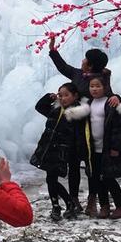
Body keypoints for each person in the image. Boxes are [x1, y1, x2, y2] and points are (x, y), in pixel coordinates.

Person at [47, 37, 121, 215]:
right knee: (74, 165)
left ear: (90, 65)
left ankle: (92, 200)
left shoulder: (100, 80)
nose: (82, 61)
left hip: (90, 130)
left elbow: (110, 96)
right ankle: (74, 200)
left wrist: (118, 97)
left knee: (91, 168)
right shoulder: (78, 75)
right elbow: (63, 67)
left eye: (85, 60)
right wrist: (53, 51)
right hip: (73, 127)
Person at [30, 83, 90, 221]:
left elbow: (79, 135)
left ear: (75, 96)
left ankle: (63, 205)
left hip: (63, 151)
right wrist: (48, 98)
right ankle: (61, 205)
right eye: (60, 95)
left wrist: (79, 153)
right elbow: (39, 107)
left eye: (66, 95)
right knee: (51, 178)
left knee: (51, 178)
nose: (62, 98)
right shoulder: (56, 109)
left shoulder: (77, 113)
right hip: (49, 149)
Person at [86, 76, 121, 219]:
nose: (94, 89)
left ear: (105, 87)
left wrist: (116, 147)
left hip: (108, 149)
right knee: (97, 180)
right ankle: (104, 207)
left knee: (109, 179)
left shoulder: (111, 103)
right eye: (92, 86)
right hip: (94, 150)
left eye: (98, 86)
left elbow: (119, 127)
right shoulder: (89, 103)